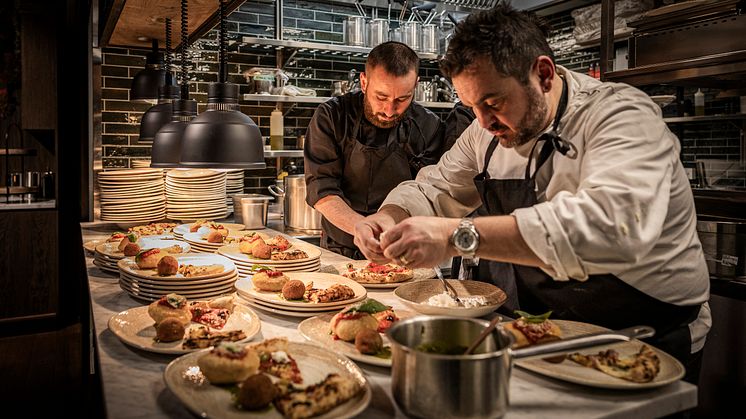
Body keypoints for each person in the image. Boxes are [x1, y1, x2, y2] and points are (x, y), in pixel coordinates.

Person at [353, 4, 710, 383]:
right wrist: (388, 217)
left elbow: (612, 226)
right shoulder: (484, 133)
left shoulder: (622, 116)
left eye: (492, 103)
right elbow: (435, 186)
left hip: (642, 334)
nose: (484, 123)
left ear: (542, 73)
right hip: (544, 334)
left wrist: (456, 236)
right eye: (472, 107)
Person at [304, 41, 446, 259]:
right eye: (381, 97)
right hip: (340, 246)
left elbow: (428, 193)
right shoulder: (332, 116)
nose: (390, 110)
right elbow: (322, 189)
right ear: (363, 82)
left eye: (402, 98)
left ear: (415, 85)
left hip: (402, 248)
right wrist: (364, 228)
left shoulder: (429, 127)